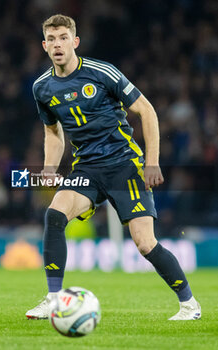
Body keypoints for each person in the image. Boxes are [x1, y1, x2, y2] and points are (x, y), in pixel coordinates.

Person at [26, 14, 201, 320]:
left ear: (75, 42)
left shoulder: (101, 72)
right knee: (54, 214)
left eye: (63, 37)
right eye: (51, 39)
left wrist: (152, 161)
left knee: (145, 243)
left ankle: (189, 304)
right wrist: (49, 168)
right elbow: (53, 132)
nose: (57, 44)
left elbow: (146, 110)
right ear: (44, 45)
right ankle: (54, 298)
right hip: (86, 169)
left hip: (124, 164)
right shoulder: (42, 87)